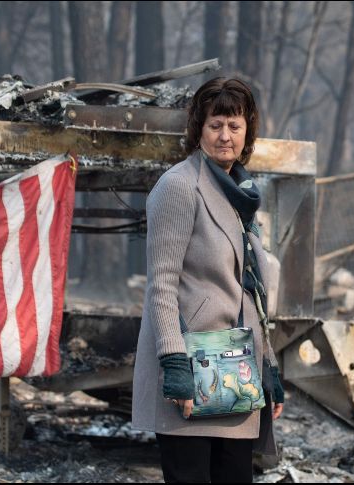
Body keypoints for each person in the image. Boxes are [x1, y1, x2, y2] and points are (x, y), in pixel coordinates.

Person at [131, 77, 285, 483]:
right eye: (216, 124)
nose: (225, 136)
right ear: (198, 127)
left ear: (248, 130)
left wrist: (268, 366)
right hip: (193, 369)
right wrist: (174, 363)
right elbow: (161, 285)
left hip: (236, 373)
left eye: (234, 126)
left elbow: (252, 288)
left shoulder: (242, 194)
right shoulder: (179, 187)